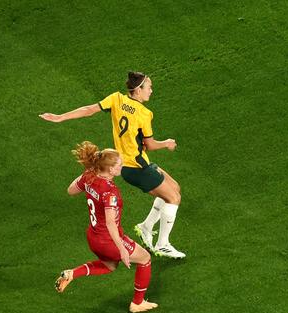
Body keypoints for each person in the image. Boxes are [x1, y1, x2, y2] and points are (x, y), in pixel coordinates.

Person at [39, 72, 185, 259]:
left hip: (128, 163)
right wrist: (167, 143)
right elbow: (150, 144)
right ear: (138, 90)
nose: (151, 90)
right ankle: (163, 244)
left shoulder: (116, 99)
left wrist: (60, 117)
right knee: (173, 198)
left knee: (174, 188)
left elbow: (89, 109)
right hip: (137, 168)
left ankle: (146, 227)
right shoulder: (144, 113)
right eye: (148, 87)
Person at [55, 141, 158, 313]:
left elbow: (71, 190)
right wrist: (122, 249)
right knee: (145, 259)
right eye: (119, 164)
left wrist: (87, 175)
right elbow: (110, 223)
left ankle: (73, 273)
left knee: (110, 266)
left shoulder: (89, 176)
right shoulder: (110, 192)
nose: (122, 166)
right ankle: (137, 303)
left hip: (93, 237)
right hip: (109, 240)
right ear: (110, 170)